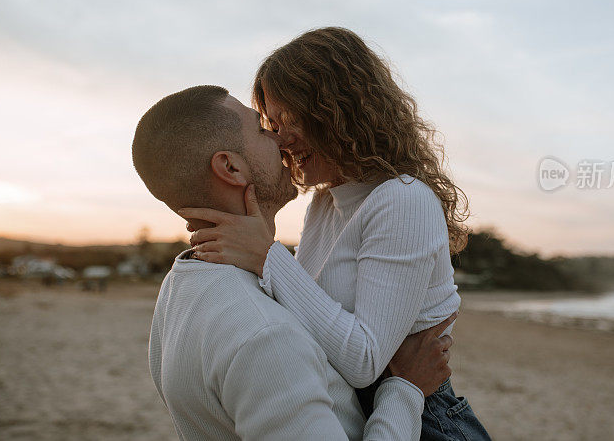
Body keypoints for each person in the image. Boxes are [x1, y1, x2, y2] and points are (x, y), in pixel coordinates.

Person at [180, 28, 492, 440]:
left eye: (290, 118)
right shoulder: (325, 205)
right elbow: (305, 317)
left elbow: (365, 361)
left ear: (341, 110)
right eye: (271, 124)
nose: (280, 140)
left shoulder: (404, 200)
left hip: (427, 421)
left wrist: (266, 255)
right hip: (367, 413)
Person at [132, 85, 455, 441]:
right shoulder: (266, 337)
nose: (280, 139)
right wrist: (405, 389)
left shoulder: (178, 289)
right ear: (230, 166)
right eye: (262, 128)